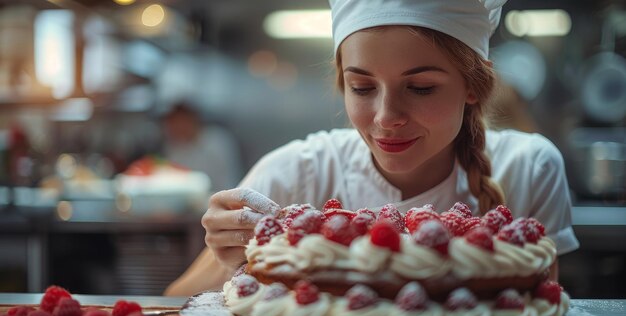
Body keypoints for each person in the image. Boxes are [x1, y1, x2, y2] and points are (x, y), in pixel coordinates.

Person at [164, 0, 579, 296]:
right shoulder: (295, 174)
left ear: (474, 85)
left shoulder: (529, 169)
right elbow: (172, 305)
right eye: (362, 87)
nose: (386, 116)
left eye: (420, 88)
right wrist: (229, 257)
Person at [161, 103, 243, 192]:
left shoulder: (217, 141)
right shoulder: (174, 148)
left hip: (222, 196)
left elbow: (229, 179)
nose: (178, 128)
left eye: (181, 122)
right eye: (173, 125)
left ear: (193, 120)